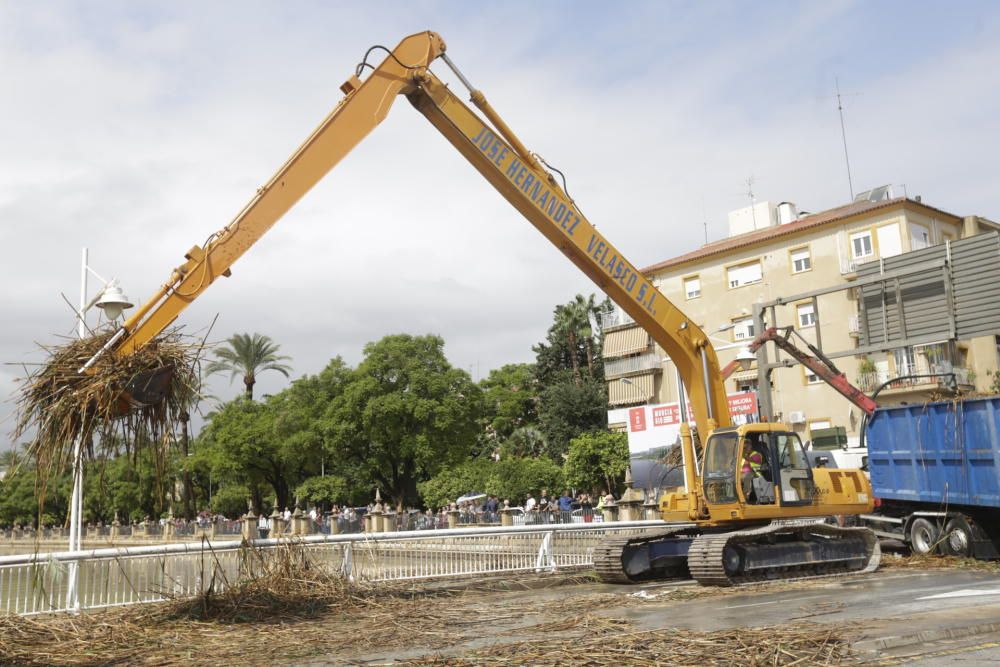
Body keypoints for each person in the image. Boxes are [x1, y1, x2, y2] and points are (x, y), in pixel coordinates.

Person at [741, 438, 764, 503]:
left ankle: (746, 496)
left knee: (747, 476)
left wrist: (742, 452)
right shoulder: (743, 455)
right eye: (743, 447)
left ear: (750, 446)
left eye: (745, 447)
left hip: (755, 473)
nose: (744, 449)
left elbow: (750, 459)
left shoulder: (756, 455)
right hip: (742, 473)